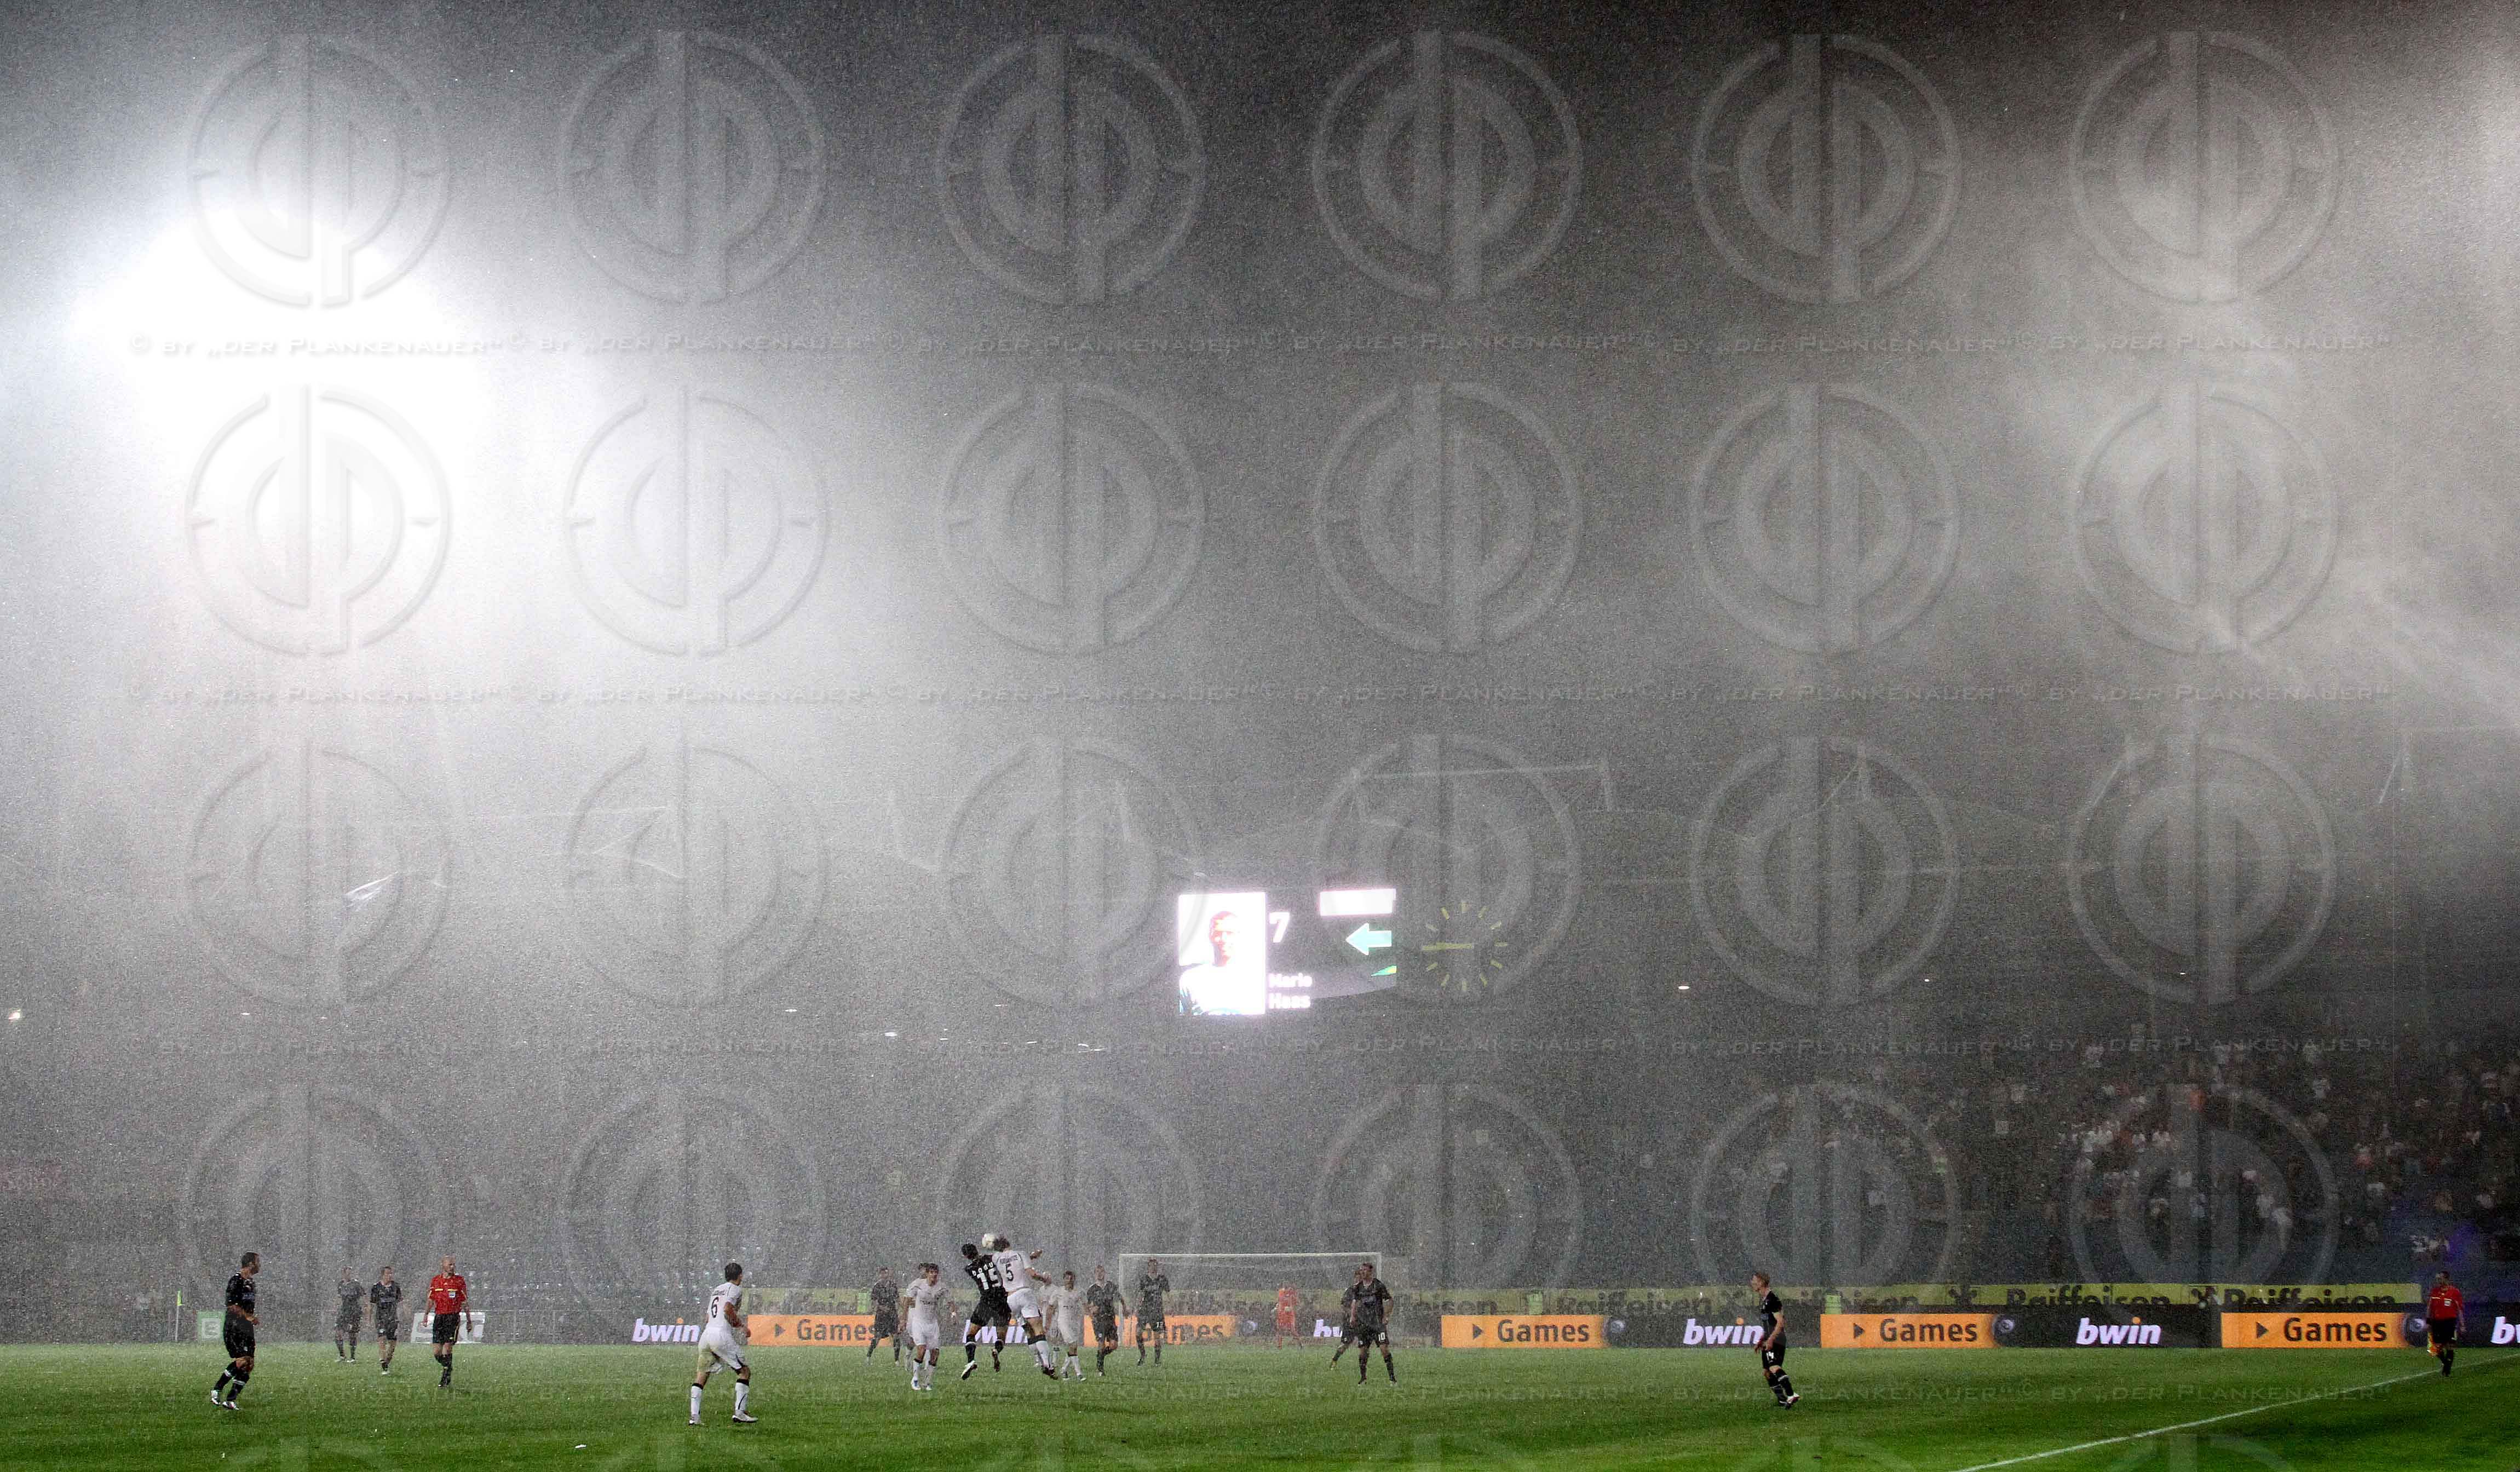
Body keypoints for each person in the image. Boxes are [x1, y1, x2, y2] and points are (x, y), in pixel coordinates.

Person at [689, 1262, 757, 1424]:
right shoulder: (735, 1289)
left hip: (706, 1335)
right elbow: (727, 1308)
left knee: (702, 1375)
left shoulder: (717, 1289)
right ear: (740, 1276)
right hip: (720, 1335)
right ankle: (740, 1413)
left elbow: (708, 1317)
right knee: (745, 1372)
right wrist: (741, 1326)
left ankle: (694, 1417)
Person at [989, 1233, 1057, 1377]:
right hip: (1024, 1293)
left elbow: (1009, 1264)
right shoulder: (1021, 1254)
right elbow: (1032, 1274)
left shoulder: (996, 1258)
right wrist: (1043, 1278)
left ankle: (1039, 1361)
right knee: (1038, 1329)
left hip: (1010, 1298)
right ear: (1009, 1244)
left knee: (1028, 1331)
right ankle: (1048, 1365)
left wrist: (1032, 1257)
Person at [209, 1251, 259, 1411]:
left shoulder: (251, 1283)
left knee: (249, 1364)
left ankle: (230, 1400)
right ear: (250, 1263)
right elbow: (231, 1305)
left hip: (246, 1328)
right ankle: (217, 1390)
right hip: (234, 1326)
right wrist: (248, 1316)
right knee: (242, 1360)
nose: (260, 1265)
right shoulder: (236, 1281)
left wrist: (251, 1318)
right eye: (258, 1261)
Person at [958, 1241, 1009, 1378]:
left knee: (971, 1334)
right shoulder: (991, 1258)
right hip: (1001, 1300)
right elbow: (1003, 1260)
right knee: (1001, 1336)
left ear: (966, 1256)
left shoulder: (969, 1269)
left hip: (986, 1302)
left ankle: (971, 1361)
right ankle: (996, 1350)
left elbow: (979, 1267)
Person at [1341, 1261, 1395, 1384]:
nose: (1362, 1272)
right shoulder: (1358, 1287)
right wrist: (1352, 1317)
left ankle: (1392, 1379)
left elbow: (1390, 1300)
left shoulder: (1378, 1285)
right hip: (1364, 1324)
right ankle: (1363, 1379)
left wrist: (1386, 1316)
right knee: (1363, 1352)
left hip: (1378, 1324)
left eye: (1365, 1270)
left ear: (1371, 1272)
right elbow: (1355, 1302)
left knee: (1384, 1349)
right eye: (1361, 1270)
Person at [1752, 1271, 1797, 1407]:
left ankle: (1791, 1394)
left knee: (1774, 1367)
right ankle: (1782, 1400)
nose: (1752, 1283)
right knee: (1767, 1372)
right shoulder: (1765, 1300)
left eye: (1754, 1280)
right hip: (1769, 1339)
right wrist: (1761, 1340)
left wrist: (1771, 1340)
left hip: (1777, 1339)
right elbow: (1769, 1324)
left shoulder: (1772, 1300)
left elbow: (1780, 1322)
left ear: (1762, 1282)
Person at [905, 1263, 947, 1390]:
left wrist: (953, 1313)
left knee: (935, 1353)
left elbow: (950, 1301)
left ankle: (928, 1382)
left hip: (932, 1323)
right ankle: (915, 1379)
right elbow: (906, 1300)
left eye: (936, 1272)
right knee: (921, 1350)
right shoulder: (917, 1284)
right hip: (918, 1321)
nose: (934, 1275)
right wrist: (903, 1319)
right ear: (927, 1273)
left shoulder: (941, 1287)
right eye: (931, 1272)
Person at [427, 1256, 468, 1388]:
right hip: (439, 1318)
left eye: (453, 1265)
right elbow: (431, 1300)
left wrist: (469, 1320)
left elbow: (464, 1302)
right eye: (450, 1265)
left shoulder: (459, 1281)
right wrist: (426, 1315)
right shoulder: (436, 1281)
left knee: (447, 1350)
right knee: (437, 1353)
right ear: (443, 1265)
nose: (452, 1267)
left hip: (452, 1318)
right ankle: (448, 1367)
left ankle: (445, 1377)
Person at [1039, 1270, 1086, 1379]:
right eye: (1067, 1279)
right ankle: (1079, 1374)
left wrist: (1093, 1316)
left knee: (1073, 1347)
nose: (1069, 1281)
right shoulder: (1058, 1292)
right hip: (1063, 1322)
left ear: (1074, 1279)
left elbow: (1085, 1305)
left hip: (1076, 1322)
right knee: (1073, 1345)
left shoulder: (1080, 1292)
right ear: (1064, 1280)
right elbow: (1050, 1308)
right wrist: (1047, 1325)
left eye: (1071, 1278)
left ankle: (1064, 1370)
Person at [1084, 1264, 1123, 1375]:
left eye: (1101, 1271)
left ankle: (1100, 1356)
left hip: (1111, 1319)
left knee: (1114, 1345)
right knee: (1101, 1343)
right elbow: (1087, 1306)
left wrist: (1125, 1308)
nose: (1100, 1274)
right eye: (1097, 1272)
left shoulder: (1111, 1286)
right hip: (1099, 1320)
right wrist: (1092, 1313)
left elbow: (1120, 1297)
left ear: (1105, 1273)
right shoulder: (1092, 1289)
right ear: (1095, 1274)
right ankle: (1100, 1369)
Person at [2425, 1269, 2465, 1376]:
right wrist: (2428, 1321)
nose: (2438, 1281)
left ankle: (2447, 1369)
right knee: (2437, 1347)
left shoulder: (2455, 1292)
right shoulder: (2435, 1291)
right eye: (2437, 1279)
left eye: (2440, 1279)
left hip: (2449, 1322)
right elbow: (2430, 1307)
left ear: (2446, 1279)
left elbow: (2459, 1310)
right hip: (2437, 1322)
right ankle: (2446, 1363)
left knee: (2449, 1346)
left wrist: (2462, 1325)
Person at [1135, 1257, 1171, 1365]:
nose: (1153, 1267)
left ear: (1157, 1266)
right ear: (1148, 1267)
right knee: (1138, 1333)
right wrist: (1137, 1307)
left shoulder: (1162, 1279)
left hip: (1157, 1311)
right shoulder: (1144, 1279)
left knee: (1157, 1336)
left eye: (1155, 1265)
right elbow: (1140, 1294)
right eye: (1151, 1266)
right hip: (1145, 1310)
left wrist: (1171, 1306)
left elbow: (1168, 1293)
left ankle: (1157, 1360)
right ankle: (1143, 1355)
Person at [370, 1266, 402, 1375]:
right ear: (383, 1275)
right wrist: (368, 1319)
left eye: (391, 1273)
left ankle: (387, 1360)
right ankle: (384, 1364)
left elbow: (400, 1302)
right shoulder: (376, 1287)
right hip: (381, 1318)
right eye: (388, 1274)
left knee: (392, 1345)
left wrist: (403, 1314)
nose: (390, 1276)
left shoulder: (396, 1287)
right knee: (382, 1340)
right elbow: (372, 1304)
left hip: (393, 1318)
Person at [866, 1267, 902, 1362]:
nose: (883, 1275)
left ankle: (897, 1360)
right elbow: (874, 1301)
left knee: (896, 1336)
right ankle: (868, 1356)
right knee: (877, 1337)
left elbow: (898, 1299)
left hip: (892, 1315)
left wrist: (901, 1309)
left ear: (888, 1274)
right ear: (879, 1275)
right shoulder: (877, 1286)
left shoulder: (893, 1285)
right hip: (881, 1316)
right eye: (882, 1274)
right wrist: (881, 1308)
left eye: (885, 1273)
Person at [335, 1268, 363, 1361]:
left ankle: (353, 1357)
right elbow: (339, 1297)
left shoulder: (356, 1284)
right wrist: (336, 1307)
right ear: (343, 1274)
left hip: (354, 1311)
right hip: (343, 1311)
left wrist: (363, 1311)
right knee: (338, 1332)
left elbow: (363, 1298)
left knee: (352, 1334)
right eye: (347, 1274)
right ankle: (342, 1356)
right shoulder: (341, 1284)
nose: (349, 1276)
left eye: (350, 1274)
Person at [1275, 1284, 1299, 1348]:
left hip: (1289, 1315)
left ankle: (1300, 1345)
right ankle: (1279, 1346)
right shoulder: (1280, 1292)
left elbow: (1296, 1303)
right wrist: (1277, 1307)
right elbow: (1279, 1301)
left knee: (1292, 1330)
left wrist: (1291, 1307)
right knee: (1280, 1330)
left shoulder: (1292, 1293)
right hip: (1282, 1314)